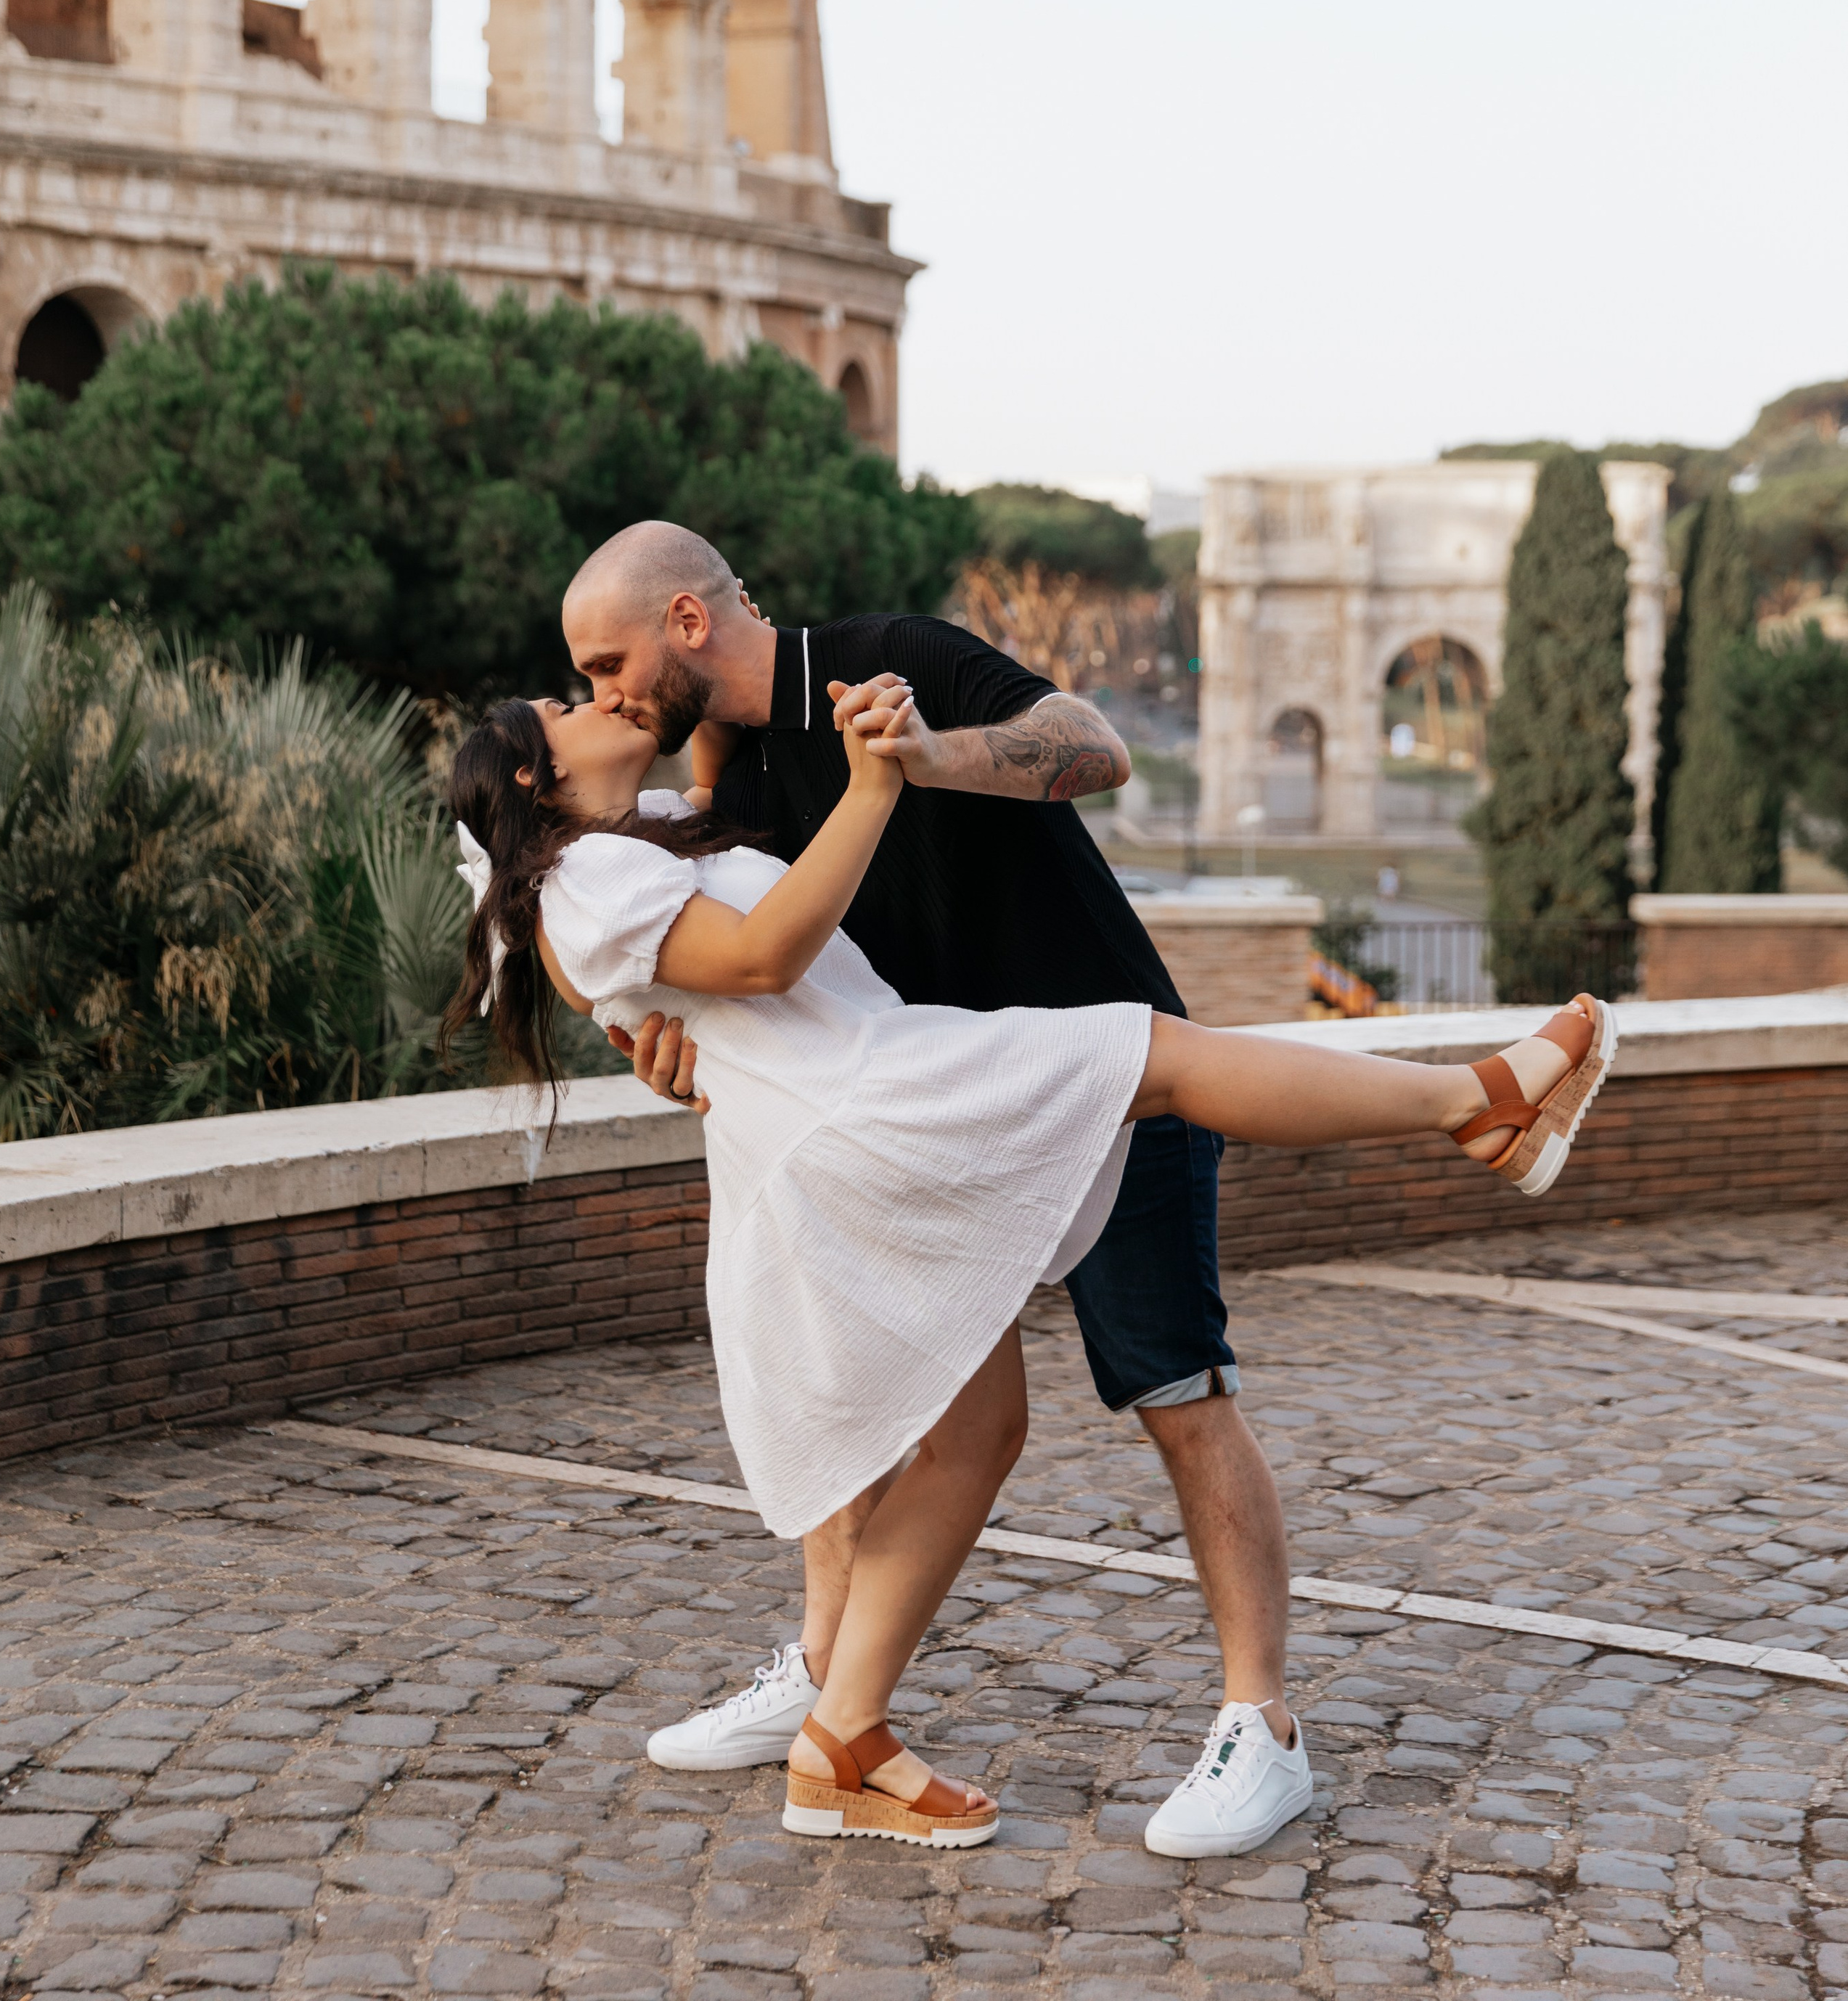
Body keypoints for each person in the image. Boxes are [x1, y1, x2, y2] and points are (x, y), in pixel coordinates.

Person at [430, 520, 1617, 1859]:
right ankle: (831, 1694)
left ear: (688, 624)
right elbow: (687, 956)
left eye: (606, 663)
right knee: (876, 1432)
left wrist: (929, 758)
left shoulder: (891, 660)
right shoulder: (708, 779)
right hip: (908, 1114)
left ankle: (1253, 1726)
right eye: (579, 690)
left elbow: (1096, 751)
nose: (604, 692)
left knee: (1167, 1395)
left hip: (1021, 1066)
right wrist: (655, 1037)